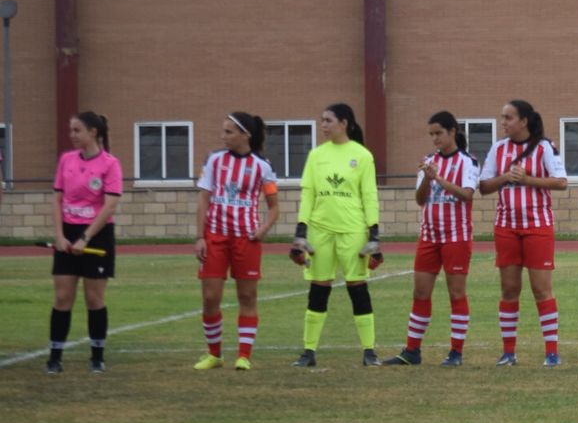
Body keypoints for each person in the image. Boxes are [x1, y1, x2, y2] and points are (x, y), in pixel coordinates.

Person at [384, 111, 480, 367]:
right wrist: (427, 179)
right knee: (420, 292)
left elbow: (467, 195)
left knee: (456, 293)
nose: (435, 139)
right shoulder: (429, 161)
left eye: (439, 133)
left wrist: (438, 178)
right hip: (429, 235)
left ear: (452, 131)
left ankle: (456, 352)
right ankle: (412, 351)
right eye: (431, 135)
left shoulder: (468, 162)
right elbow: (419, 199)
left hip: (456, 236)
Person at [290, 103, 382, 368]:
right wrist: (301, 230)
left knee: (358, 288)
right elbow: (308, 194)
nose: (324, 125)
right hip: (320, 231)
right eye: (322, 121)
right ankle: (308, 352)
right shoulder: (316, 155)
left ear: (345, 123)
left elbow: (369, 195)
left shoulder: (362, 155)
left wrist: (374, 233)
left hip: (353, 231)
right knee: (319, 289)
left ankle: (369, 351)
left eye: (328, 120)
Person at [477, 100, 567, 367]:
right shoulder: (498, 148)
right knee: (509, 289)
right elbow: (484, 186)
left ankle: (552, 352)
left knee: (541, 289)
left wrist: (527, 180)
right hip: (506, 227)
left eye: (508, 118)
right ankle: (508, 352)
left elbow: (561, 181)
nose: (503, 122)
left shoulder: (544, 147)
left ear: (524, 121)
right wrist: (506, 177)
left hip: (538, 227)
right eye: (502, 117)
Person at [193, 113, 280, 371]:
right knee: (210, 297)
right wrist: (200, 237)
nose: (224, 136)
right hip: (215, 237)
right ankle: (214, 354)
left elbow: (274, 207)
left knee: (247, 296)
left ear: (246, 135)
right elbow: (203, 200)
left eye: (229, 132)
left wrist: (263, 229)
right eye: (224, 131)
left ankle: (244, 355)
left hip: (246, 240)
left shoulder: (262, 166)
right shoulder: (214, 161)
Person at [46, 111, 121, 375]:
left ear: (93, 133)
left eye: (77, 130)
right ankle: (54, 357)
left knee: (94, 298)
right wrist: (59, 235)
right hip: (67, 232)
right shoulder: (66, 160)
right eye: (71, 130)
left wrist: (85, 238)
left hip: (97, 235)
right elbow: (57, 199)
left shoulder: (110, 164)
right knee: (62, 297)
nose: (72, 136)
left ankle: (97, 356)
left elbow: (110, 205)